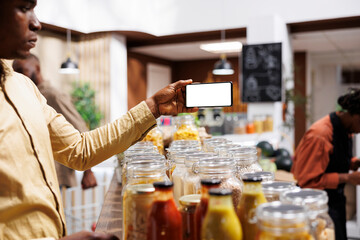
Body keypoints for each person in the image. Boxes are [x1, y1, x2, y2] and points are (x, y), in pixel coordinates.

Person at [0, 1, 197, 239]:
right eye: (23, 8)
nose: (36, 23)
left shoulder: (23, 87)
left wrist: (153, 107)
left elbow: (80, 149)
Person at [13, 54, 98, 190]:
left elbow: (79, 127)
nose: (19, 76)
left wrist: (88, 171)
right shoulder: (27, 94)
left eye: (22, 70)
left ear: (37, 68)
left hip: (53, 172)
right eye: (15, 72)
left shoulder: (52, 95)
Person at [292, 89, 360, 240]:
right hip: (317, 208)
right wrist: (348, 178)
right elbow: (307, 182)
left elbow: (330, 161)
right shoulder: (320, 135)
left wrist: (352, 163)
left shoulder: (346, 128)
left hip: (336, 201)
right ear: (352, 114)